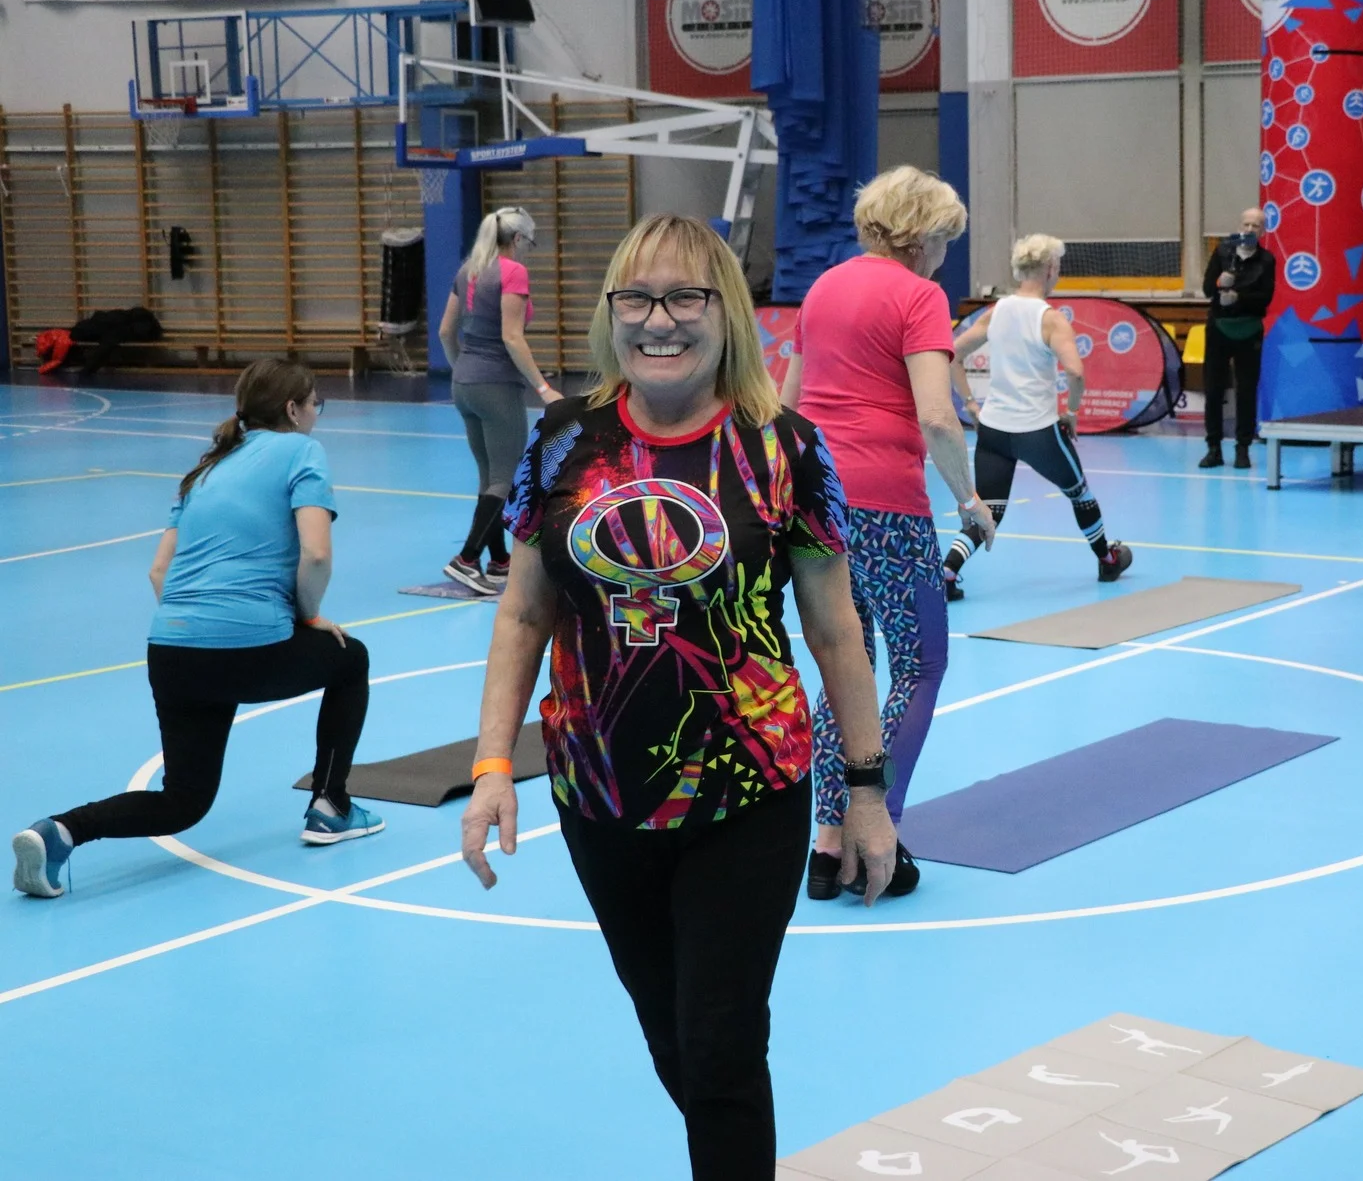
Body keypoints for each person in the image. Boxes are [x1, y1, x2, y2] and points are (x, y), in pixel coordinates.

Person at [458, 215, 898, 1180]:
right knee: (673, 1040)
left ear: (725, 311)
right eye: (638, 298)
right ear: (611, 312)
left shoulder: (785, 449)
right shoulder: (561, 442)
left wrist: (866, 792)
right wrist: (492, 764)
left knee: (722, 1044)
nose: (660, 320)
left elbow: (835, 631)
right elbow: (523, 614)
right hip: (599, 797)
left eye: (686, 297)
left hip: (749, 793)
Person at [12, 360, 378, 899]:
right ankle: (332, 805)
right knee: (350, 658)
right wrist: (307, 618)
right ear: (292, 409)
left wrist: (199, 633)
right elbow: (317, 555)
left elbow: (159, 572)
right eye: (315, 404)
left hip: (171, 649)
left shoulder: (204, 470)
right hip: (249, 645)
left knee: (183, 800)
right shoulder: (301, 451)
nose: (316, 415)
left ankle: (60, 832)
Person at [777, 165, 996, 901]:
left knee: (849, 663)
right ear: (921, 235)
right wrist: (969, 498)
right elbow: (936, 414)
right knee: (921, 664)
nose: (944, 257)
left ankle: (824, 843)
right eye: (945, 241)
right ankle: (879, 830)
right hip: (885, 505)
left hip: (817, 499)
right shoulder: (919, 295)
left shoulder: (823, 287)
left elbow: (787, 405)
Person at [944, 234, 1134, 597]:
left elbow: (953, 354)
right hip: (1038, 431)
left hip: (994, 430)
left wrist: (970, 403)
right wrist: (1072, 411)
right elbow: (1075, 372)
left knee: (990, 509)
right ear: (1050, 269)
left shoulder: (996, 311)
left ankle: (948, 571)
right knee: (1079, 493)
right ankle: (1108, 560)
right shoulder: (1051, 320)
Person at [437, 206, 563, 594]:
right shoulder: (513, 272)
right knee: (506, 477)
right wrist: (543, 388)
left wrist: (464, 371)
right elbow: (512, 336)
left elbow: (445, 332)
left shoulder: (468, 270)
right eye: (528, 243)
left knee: (489, 476)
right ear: (518, 239)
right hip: (497, 386)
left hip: (464, 384)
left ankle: (498, 562)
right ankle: (467, 558)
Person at [1200, 207, 1275, 469]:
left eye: (1256, 225)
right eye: (1246, 224)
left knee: (1246, 390)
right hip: (1219, 328)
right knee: (1213, 389)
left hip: (1249, 330)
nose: (1249, 229)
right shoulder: (1222, 252)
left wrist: (1239, 298)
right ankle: (1213, 448)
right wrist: (1219, 283)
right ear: (1239, 226)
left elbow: (1266, 298)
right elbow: (1207, 289)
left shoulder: (1267, 260)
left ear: (1263, 231)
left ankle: (1242, 448)